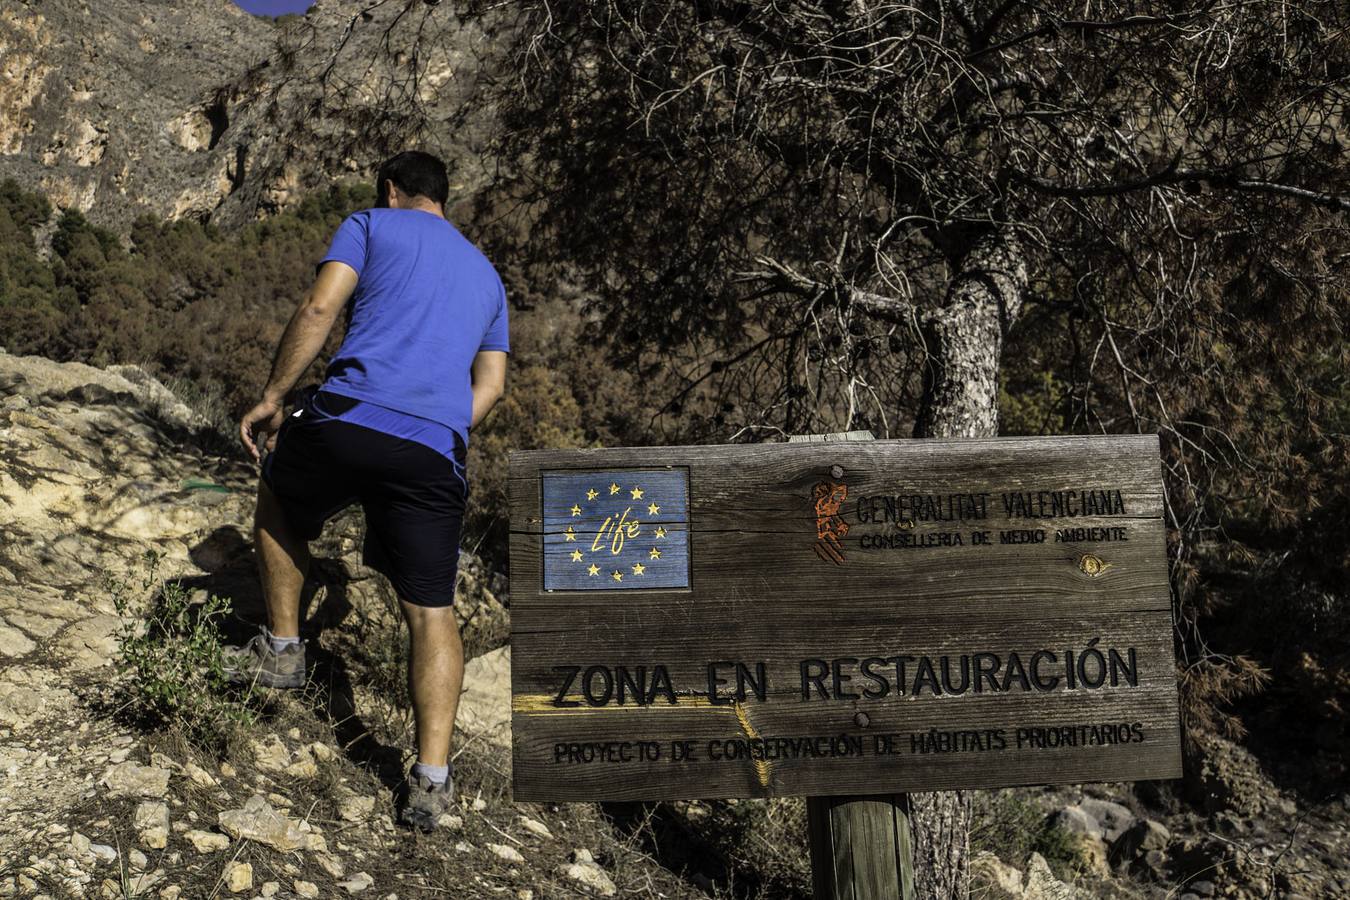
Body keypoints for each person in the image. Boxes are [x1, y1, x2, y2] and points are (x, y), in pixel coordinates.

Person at [229, 150, 509, 832]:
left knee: (277, 494)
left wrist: (273, 396)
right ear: (443, 198)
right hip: (437, 449)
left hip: (351, 416)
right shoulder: (488, 276)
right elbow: (492, 387)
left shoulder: (371, 223)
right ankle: (431, 781)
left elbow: (322, 304)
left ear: (391, 191)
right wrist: (438, 423)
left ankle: (285, 650)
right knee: (431, 610)